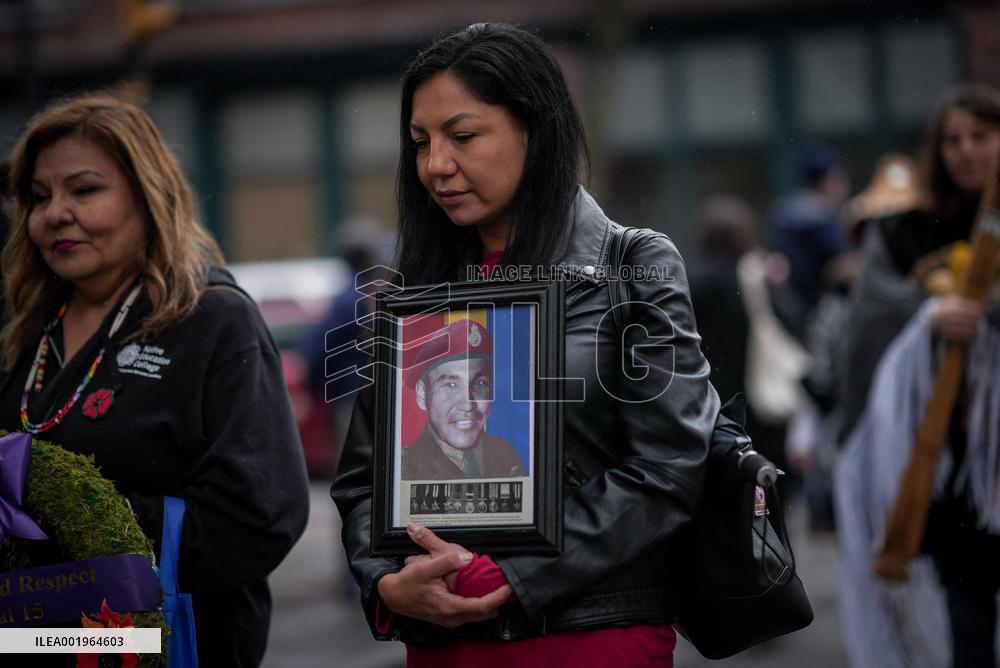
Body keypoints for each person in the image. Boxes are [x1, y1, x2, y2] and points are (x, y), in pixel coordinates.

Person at [331, 22, 717, 666]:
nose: (436, 165)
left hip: (592, 635)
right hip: (447, 641)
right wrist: (389, 581)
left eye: (463, 136)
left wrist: (519, 574)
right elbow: (361, 481)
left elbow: (672, 463)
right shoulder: (415, 289)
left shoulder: (631, 264)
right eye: (421, 143)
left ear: (534, 130)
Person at [0, 91, 310, 667]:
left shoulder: (213, 319)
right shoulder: (27, 331)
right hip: (35, 641)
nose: (55, 213)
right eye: (39, 197)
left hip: (170, 643)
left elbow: (260, 517)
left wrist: (70, 515)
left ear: (147, 196)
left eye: (84, 190)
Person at [834, 84, 1000, 668]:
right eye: (952, 140)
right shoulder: (907, 230)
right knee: (969, 603)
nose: (966, 151)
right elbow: (872, 316)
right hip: (945, 448)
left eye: (980, 136)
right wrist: (928, 315)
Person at [402, 318, 525, 481]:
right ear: (422, 395)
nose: (468, 405)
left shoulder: (506, 455)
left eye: (480, 383)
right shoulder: (403, 469)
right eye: (451, 384)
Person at [770, 143, 850, 332]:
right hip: (820, 316)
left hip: (793, 315)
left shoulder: (785, 214)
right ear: (828, 180)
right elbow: (843, 265)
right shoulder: (822, 219)